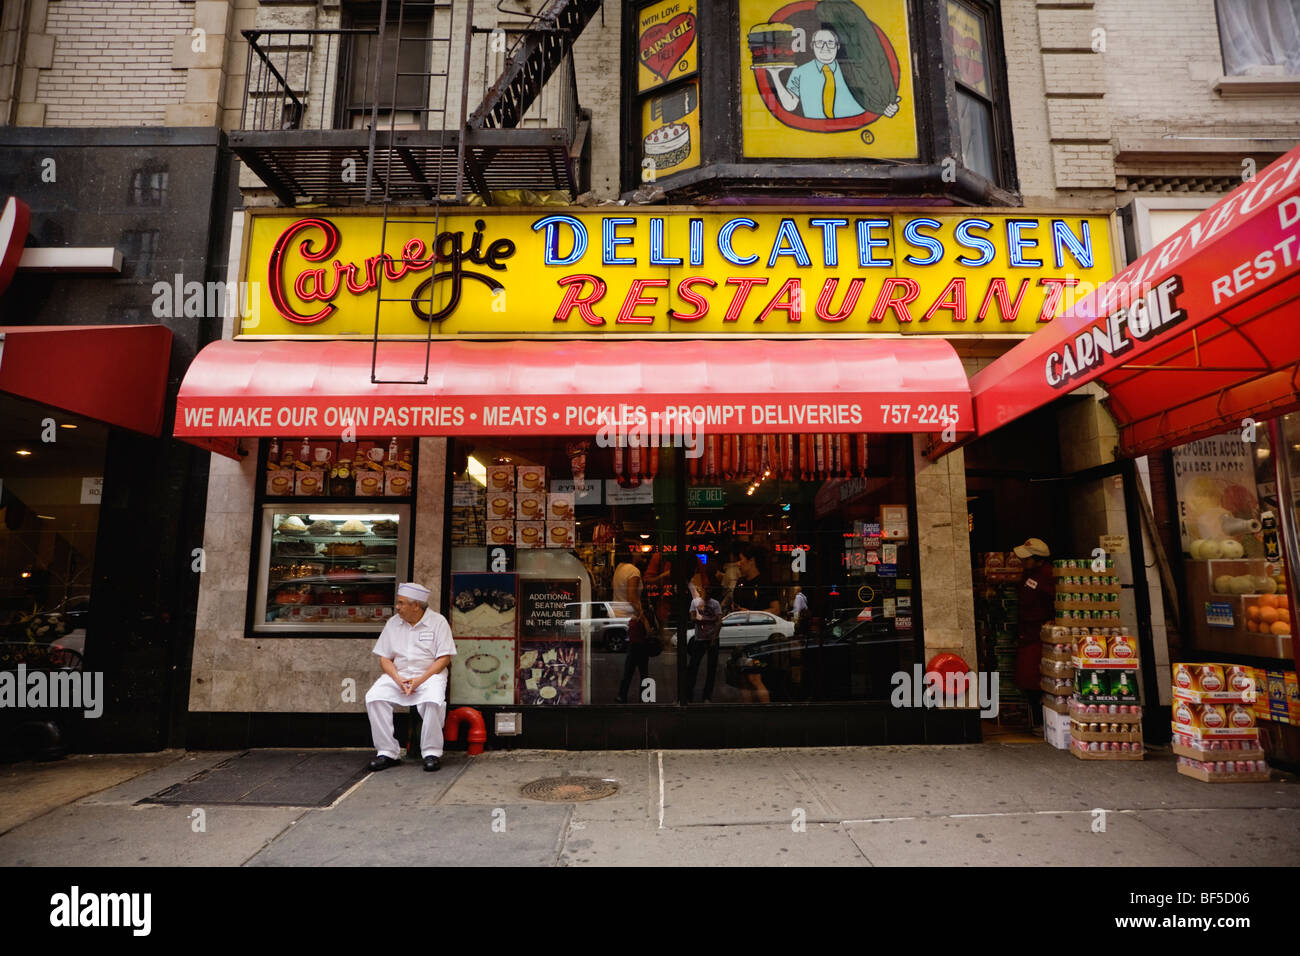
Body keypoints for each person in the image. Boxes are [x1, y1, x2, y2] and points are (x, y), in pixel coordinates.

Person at [365, 582, 457, 772]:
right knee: (374, 698)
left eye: (401, 603)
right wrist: (398, 679)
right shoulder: (393, 623)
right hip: (398, 675)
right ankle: (387, 752)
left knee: (433, 701)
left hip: (430, 675)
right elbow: (385, 658)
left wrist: (420, 680)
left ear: (416, 605)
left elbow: (444, 658)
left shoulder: (438, 622)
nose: (397, 607)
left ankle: (431, 752)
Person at [1012, 538, 1055, 721]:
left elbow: (1055, 602)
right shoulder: (1028, 574)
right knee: (1026, 676)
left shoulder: (1048, 576)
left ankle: (1040, 719)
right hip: (1027, 633)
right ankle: (1036, 718)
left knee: (1034, 677)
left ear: (1039, 559)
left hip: (1039, 635)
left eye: (1027, 559)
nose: (1023, 561)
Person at [686, 581, 723, 702]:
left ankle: (707, 695)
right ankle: (689, 695)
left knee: (711, 668)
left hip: (711, 638)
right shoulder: (695, 602)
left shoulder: (715, 603)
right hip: (700, 638)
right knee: (693, 667)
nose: (708, 593)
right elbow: (692, 617)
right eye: (707, 590)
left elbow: (719, 621)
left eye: (710, 591)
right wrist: (705, 619)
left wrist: (714, 637)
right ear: (702, 590)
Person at [616, 608, 652, 704]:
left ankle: (641, 697)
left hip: (639, 647)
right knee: (631, 673)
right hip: (635, 647)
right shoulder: (635, 618)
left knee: (635, 673)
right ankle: (624, 696)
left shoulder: (642, 618)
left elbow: (649, 632)